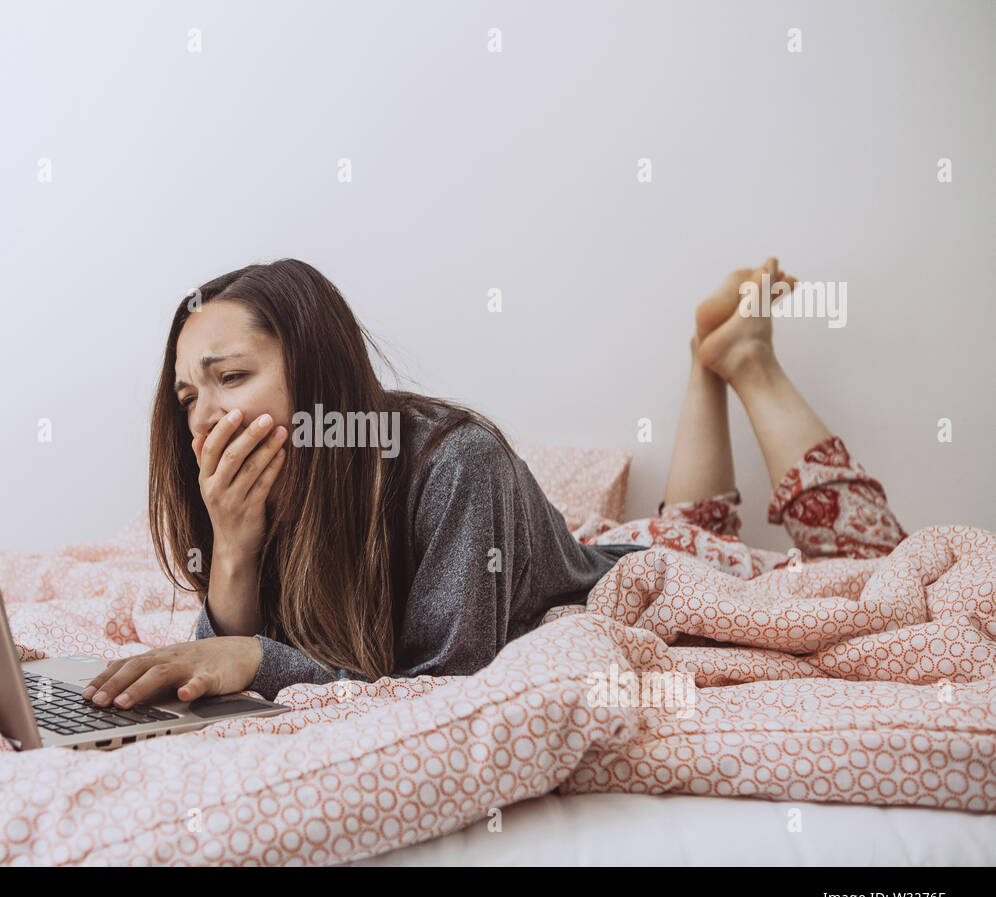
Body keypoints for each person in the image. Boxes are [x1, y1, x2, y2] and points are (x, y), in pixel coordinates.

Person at [82, 258, 906, 707]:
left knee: (873, 563)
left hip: (647, 581)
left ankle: (750, 364)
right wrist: (233, 546)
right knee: (693, 527)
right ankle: (707, 365)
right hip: (621, 546)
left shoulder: (456, 462)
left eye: (230, 376)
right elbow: (259, 640)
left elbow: (448, 680)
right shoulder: (261, 495)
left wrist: (254, 662)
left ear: (318, 374)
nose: (199, 416)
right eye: (189, 394)